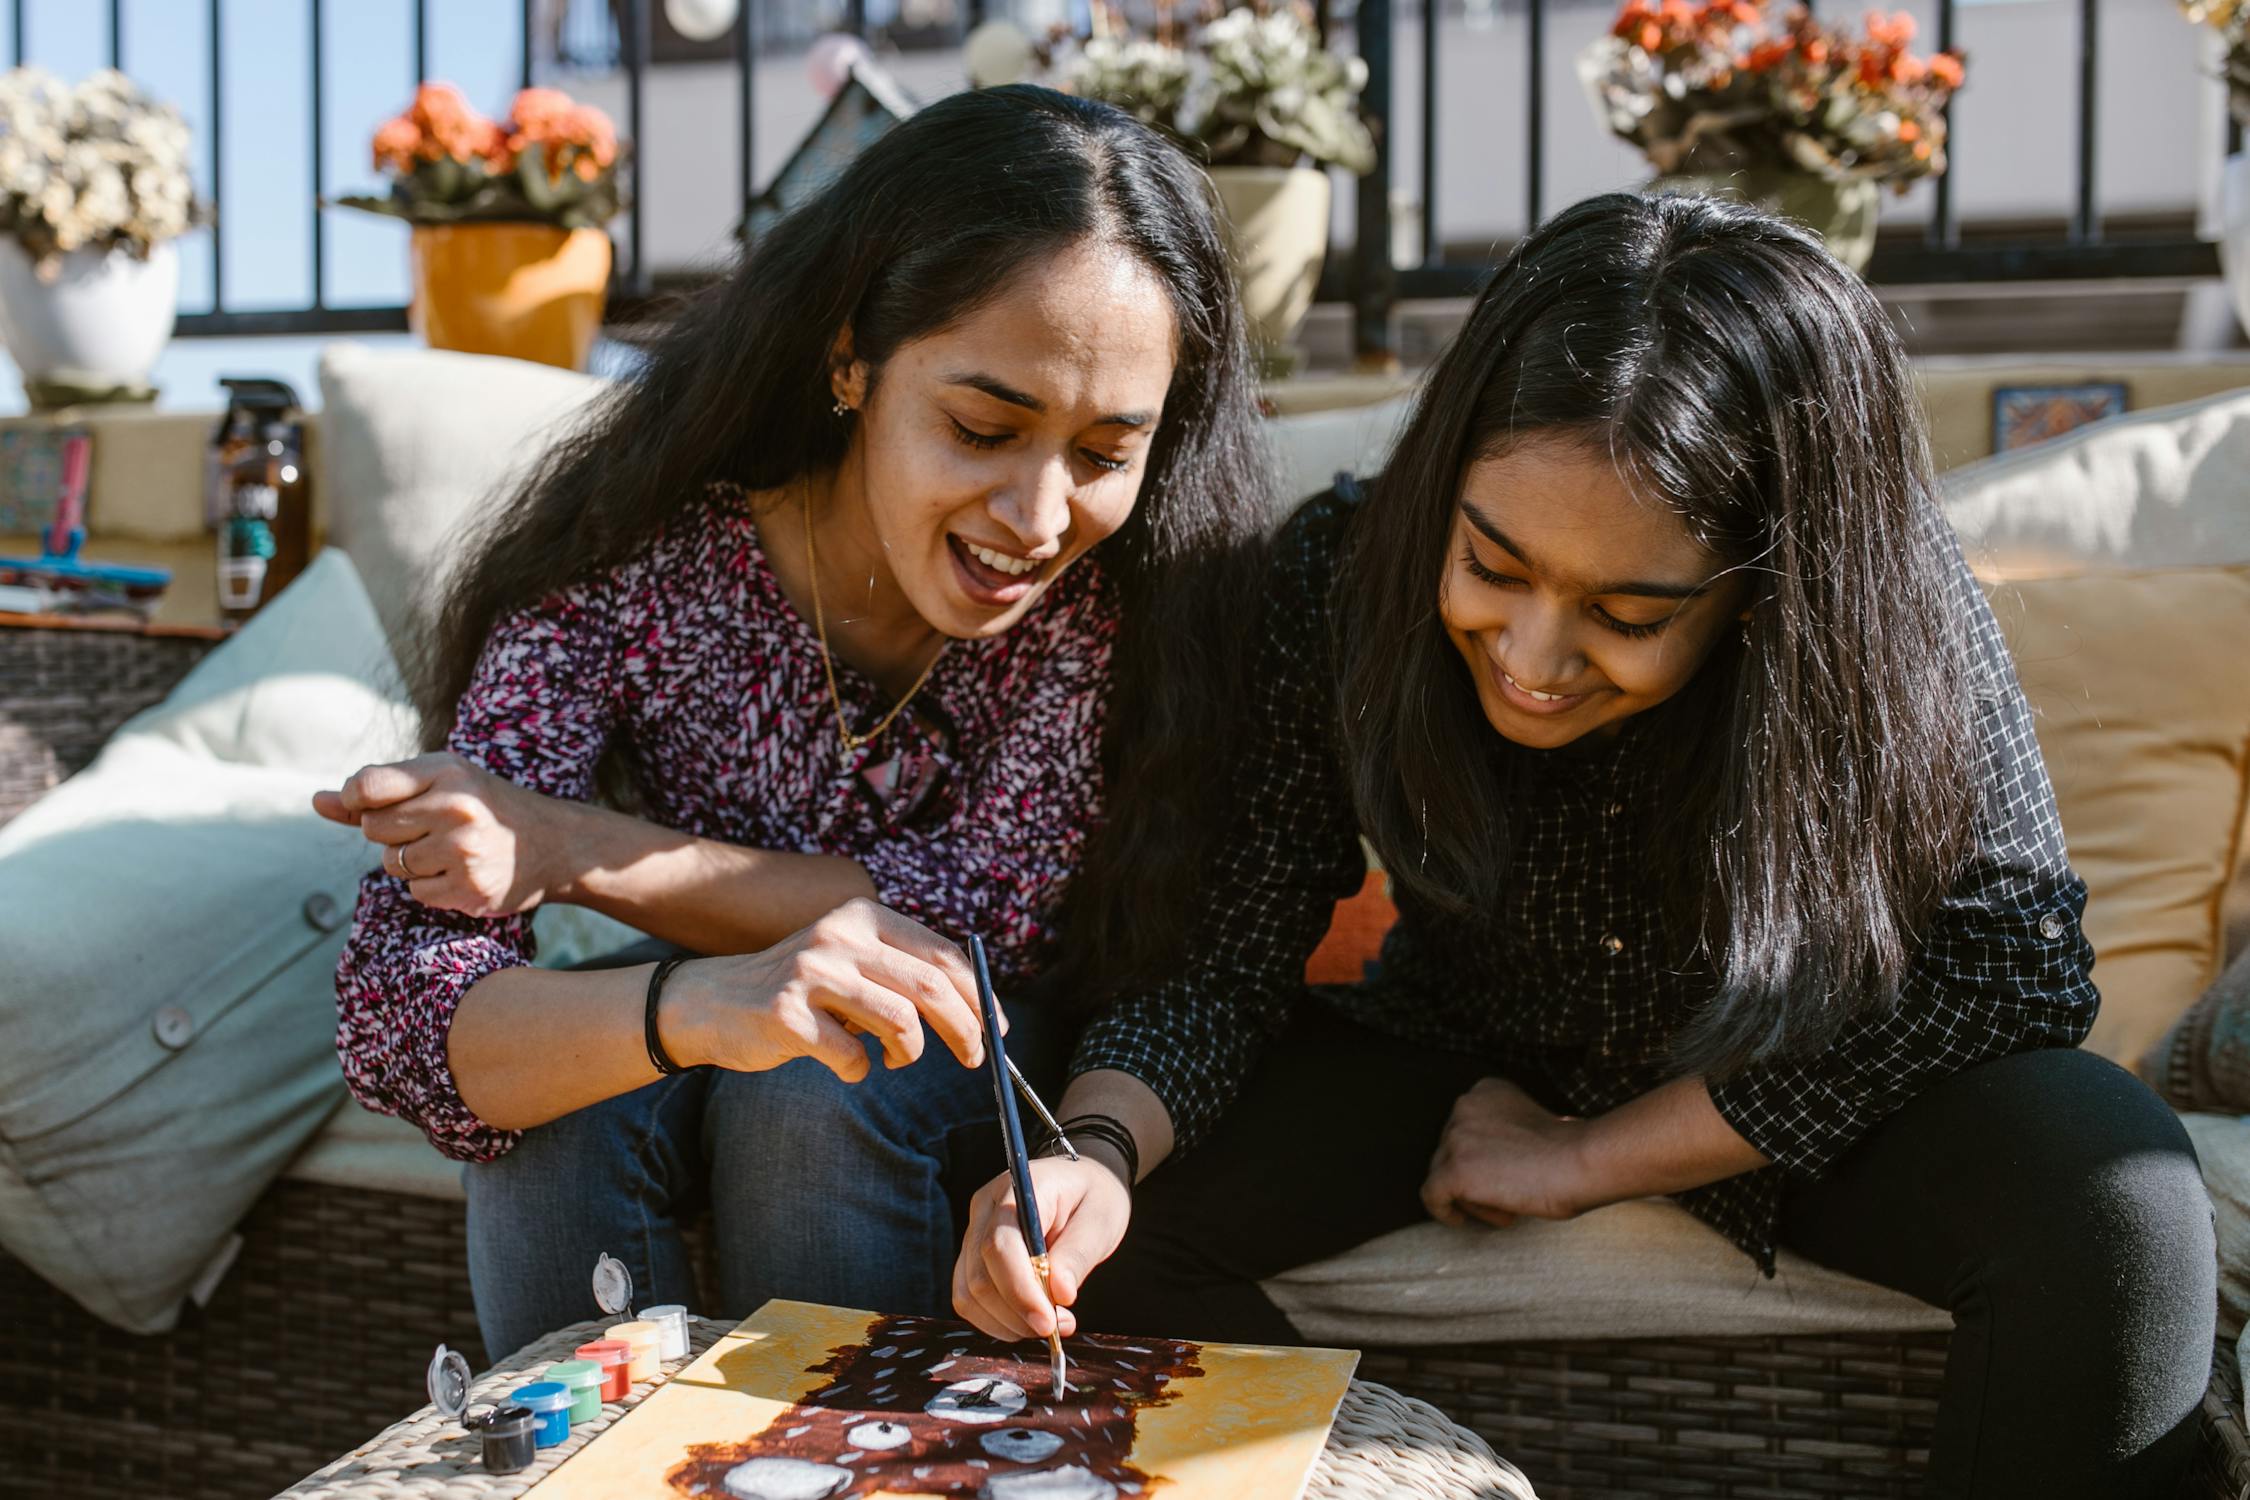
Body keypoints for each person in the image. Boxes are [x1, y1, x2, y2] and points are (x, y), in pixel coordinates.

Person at [951, 191, 2216, 1496]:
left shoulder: (1881, 600)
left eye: (1625, 611)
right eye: (1492, 569)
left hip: (1796, 1066)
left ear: (1761, 593)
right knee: (1099, 1236)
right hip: (1459, 1046)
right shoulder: (1336, 571)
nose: (1534, 660)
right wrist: (1086, 1157)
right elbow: (1231, 940)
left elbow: (2011, 967)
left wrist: (1584, 1159)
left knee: (2110, 1195)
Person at [318, 84, 1270, 1360]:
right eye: (983, 428)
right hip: (722, 1018)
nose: (1039, 517)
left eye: (1103, 454)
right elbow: (401, 1018)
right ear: (849, 361)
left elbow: (979, 920)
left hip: (994, 1064)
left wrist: (572, 848)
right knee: (567, 1104)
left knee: (825, 1070)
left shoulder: (1117, 599)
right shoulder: (634, 558)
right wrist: (707, 1003)